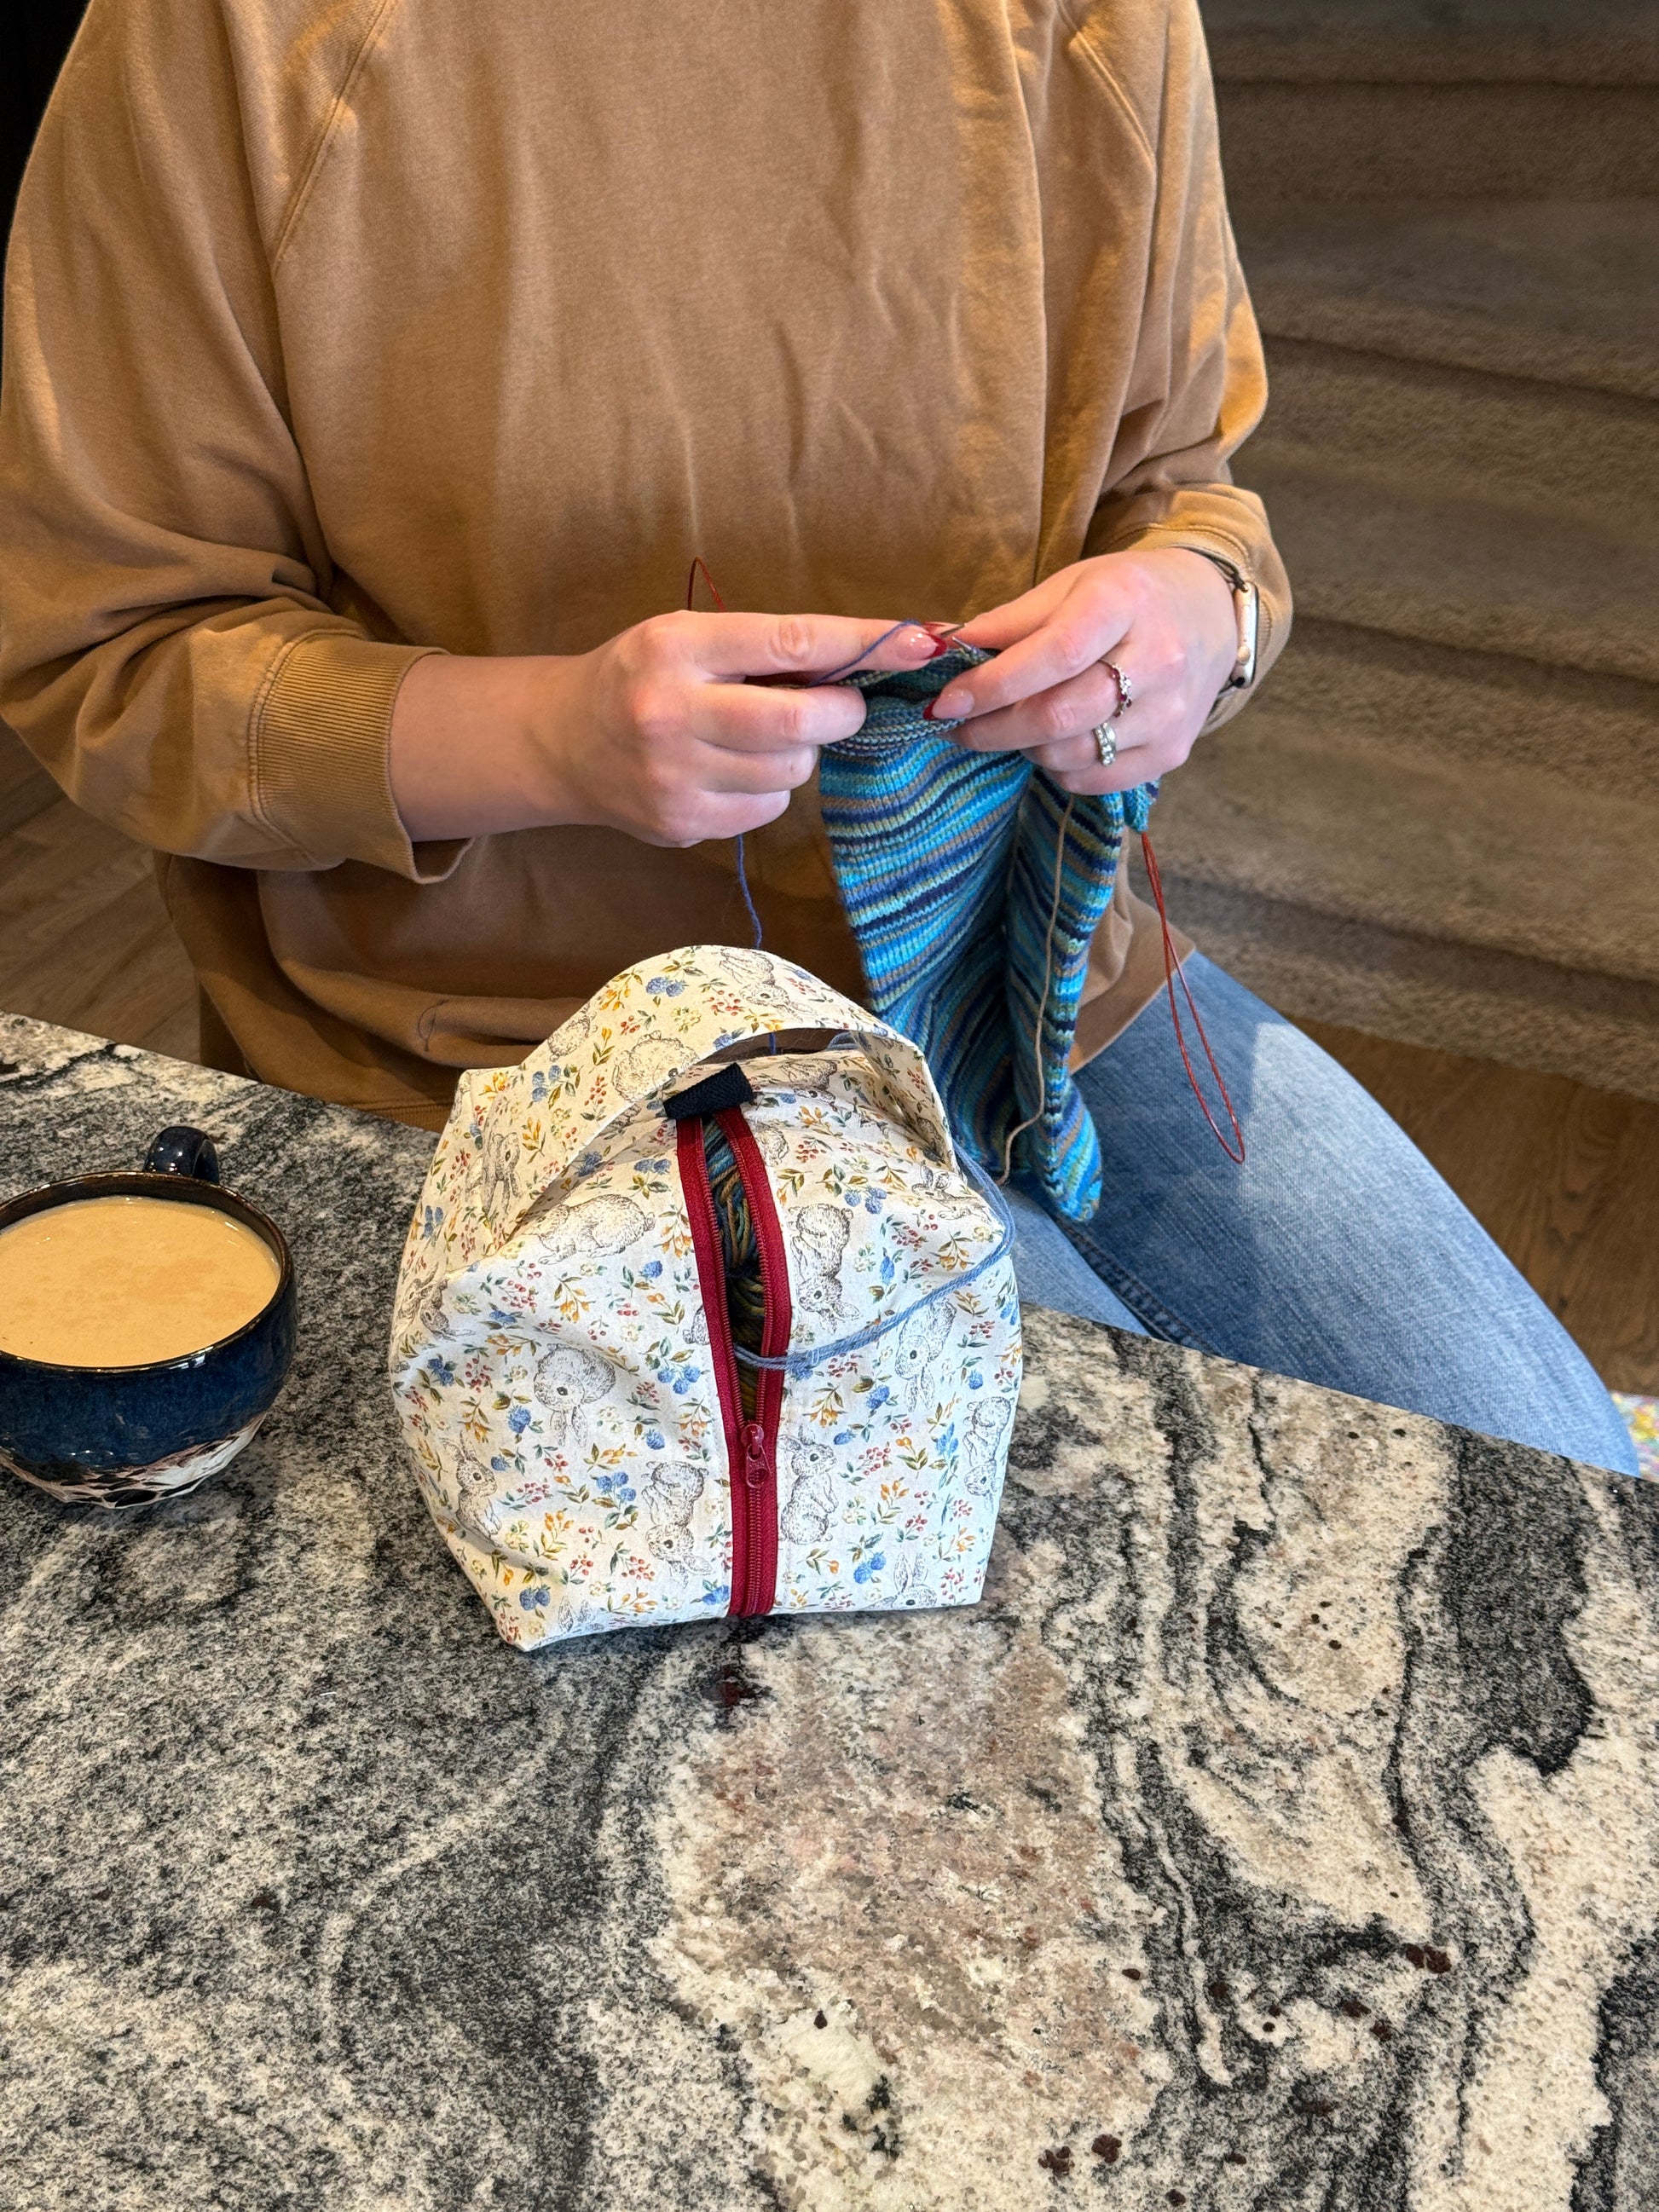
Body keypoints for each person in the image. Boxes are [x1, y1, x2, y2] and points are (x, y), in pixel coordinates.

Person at [0, 0, 1635, 1476]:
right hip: (512, 1058)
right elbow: (112, 656)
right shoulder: (227, 39)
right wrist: (548, 741)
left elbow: (1185, 493)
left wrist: (1198, 617)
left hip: (1037, 994)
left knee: (1566, 1499)